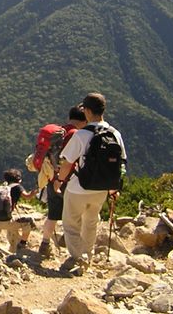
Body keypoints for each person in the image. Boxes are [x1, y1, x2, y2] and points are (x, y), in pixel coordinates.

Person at [53, 93, 127, 273]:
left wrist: (59, 181)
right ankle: (89, 253)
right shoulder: (115, 134)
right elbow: (121, 163)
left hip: (79, 187)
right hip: (101, 189)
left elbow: (68, 163)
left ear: (86, 111)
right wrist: (113, 187)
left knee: (71, 224)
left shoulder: (82, 135)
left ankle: (80, 257)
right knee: (91, 221)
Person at [37, 104, 88, 258]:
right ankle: (73, 247)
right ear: (84, 120)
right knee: (76, 214)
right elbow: (72, 160)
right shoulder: (76, 135)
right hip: (69, 180)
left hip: (52, 178)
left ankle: (45, 243)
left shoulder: (59, 132)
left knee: (52, 214)